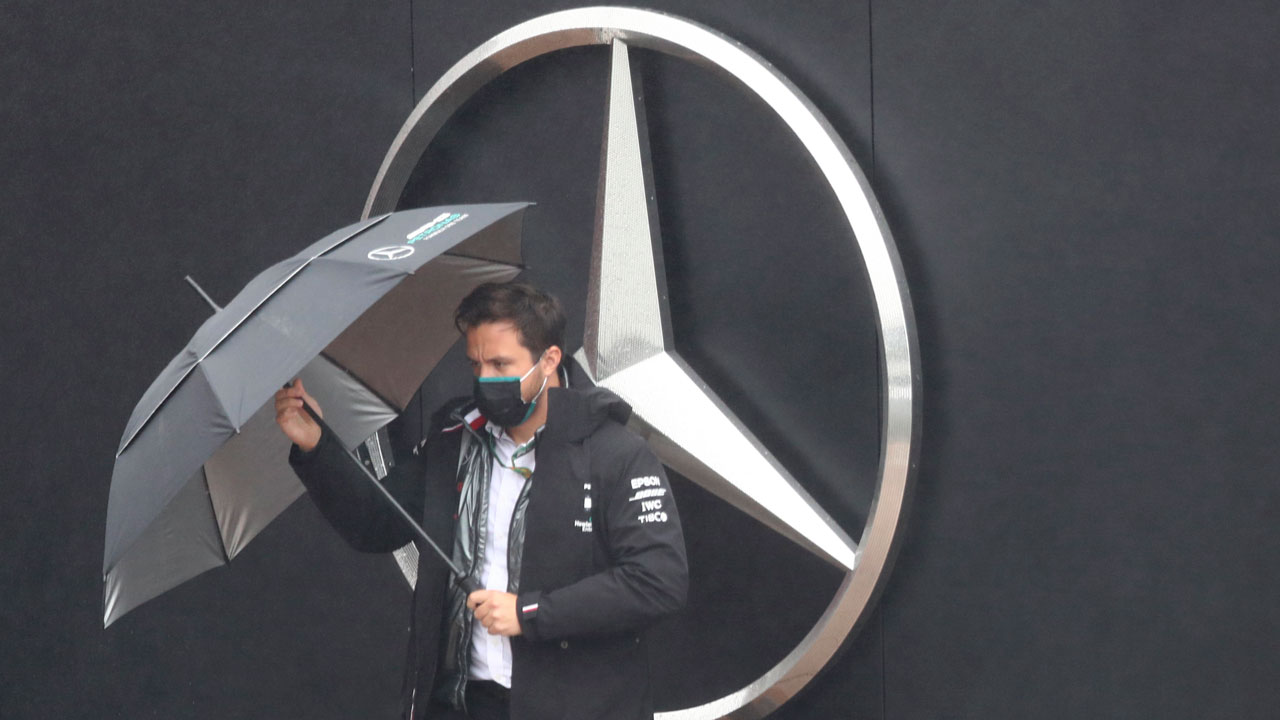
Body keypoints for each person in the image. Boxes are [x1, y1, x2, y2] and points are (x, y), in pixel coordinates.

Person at [275, 282, 688, 720]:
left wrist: (530, 613)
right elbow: (376, 524)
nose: (486, 380)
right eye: (476, 365)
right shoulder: (454, 438)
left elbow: (657, 581)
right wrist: (316, 447)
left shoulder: (614, 452)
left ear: (549, 360)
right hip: (461, 702)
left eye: (501, 364)